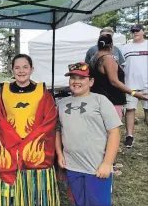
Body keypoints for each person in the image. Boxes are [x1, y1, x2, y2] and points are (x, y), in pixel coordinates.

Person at [0, 54, 60, 206]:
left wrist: (29, 141)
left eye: (25, 67)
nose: (21, 71)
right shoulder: (3, 92)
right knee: (10, 194)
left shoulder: (42, 91)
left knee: (35, 191)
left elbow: (49, 120)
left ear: (31, 69)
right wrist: (15, 141)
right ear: (12, 69)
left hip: (35, 147)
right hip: (10, 147)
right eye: (17, 67)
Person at [56, 62, 122, 206]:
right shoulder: (62, 103)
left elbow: (114, 132)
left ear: (91, 81)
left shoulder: (100, 101)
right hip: (72, 166)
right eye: (73, 77)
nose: (76, 81)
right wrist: (60, 154)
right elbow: (58, 131)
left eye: (81, 78)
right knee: (79, 202)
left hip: (96, 167)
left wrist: (106, 163)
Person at [91, 35, 148, 118]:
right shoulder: (108, 59)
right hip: (111, 100)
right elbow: (114, 81)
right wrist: (134, 93)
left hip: (99, 99)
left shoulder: (94, 58)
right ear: (111, 45)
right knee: (112, 129)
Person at [122, 24, 148, 148]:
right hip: (130, 85)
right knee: (130, 109)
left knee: (147, 110)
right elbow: (120, 66)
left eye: (137, 30)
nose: (135, 32)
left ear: (143, 31)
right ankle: (129, 136)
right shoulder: (126, 47)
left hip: (147, 84)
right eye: (133, 31)